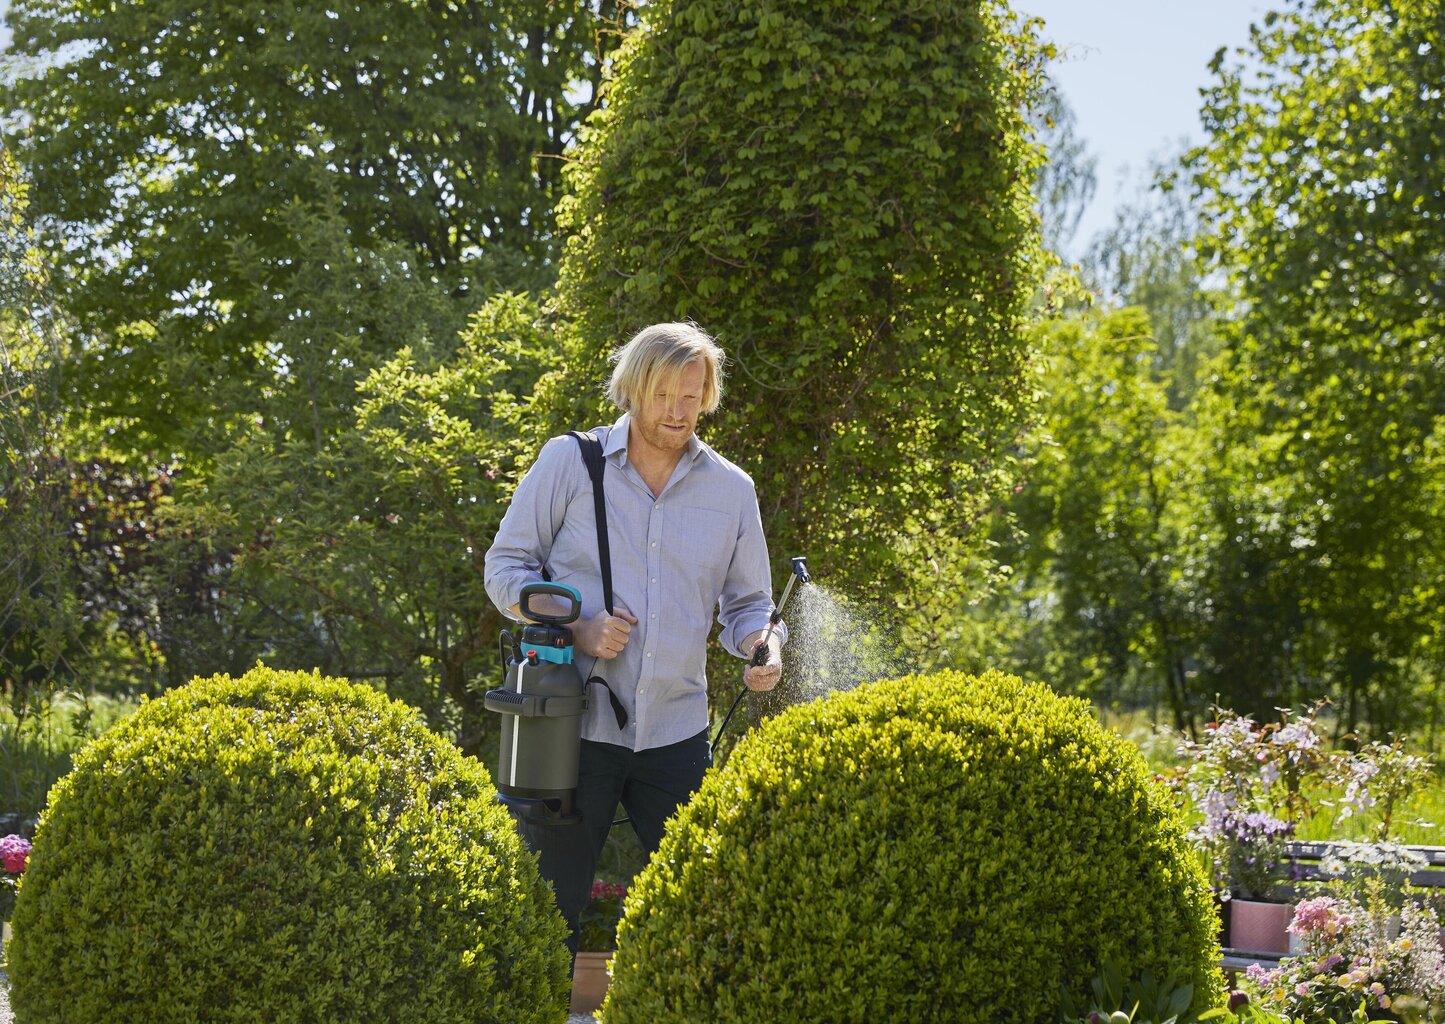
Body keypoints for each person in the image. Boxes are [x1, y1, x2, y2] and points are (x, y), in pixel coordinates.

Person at [483, 321, 784, 955]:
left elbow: (749, 603)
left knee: (708, 914)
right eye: (665, 396)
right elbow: (504, 570)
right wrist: (578, 624)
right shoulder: (569, 462)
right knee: (543, 919)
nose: (680, 413)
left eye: (693, 397)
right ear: (633, 389)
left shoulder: (732, 491)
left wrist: (763, 644)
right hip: (571, 730)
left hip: (677, 734)